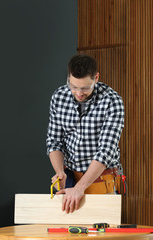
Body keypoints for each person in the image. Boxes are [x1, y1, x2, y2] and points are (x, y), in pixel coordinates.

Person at [46, 54, 125, 213]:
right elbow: (54, 141)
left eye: (84, 88)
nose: (78, 93)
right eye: (73, 86)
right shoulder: (59, 97)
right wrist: (60, 172)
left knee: (102, 235)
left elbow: (105, 152)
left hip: (102, 182)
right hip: (70, 180)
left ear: (96, 78)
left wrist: (79, 188)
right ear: (68, 77)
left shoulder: (112, 101)